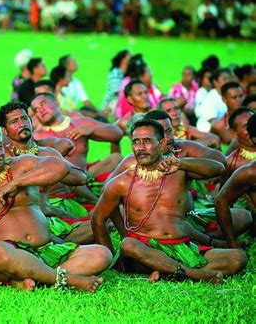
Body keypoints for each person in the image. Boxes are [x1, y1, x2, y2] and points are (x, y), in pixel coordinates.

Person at [0, 121, 111, 292]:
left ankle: (34, 279)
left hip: (46, 250)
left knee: (101, 254)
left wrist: (16, 183)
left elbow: (61, 166)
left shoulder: (21, 165)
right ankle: (66, 279)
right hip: (5, 256)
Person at [92, 119, 247, 282]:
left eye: (147, 141)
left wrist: (182, 163)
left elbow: (218, 169)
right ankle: (192, 273)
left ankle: (166, 272)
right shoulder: (121, 182)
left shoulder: (178, 171)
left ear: (162, 143)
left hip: (182, 247)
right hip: (144, 250)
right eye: (136, 142)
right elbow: (98, 219)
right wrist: (109, 257)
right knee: (128, 244)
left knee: (238, 258)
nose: (141, 148)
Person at [0, 101, 94, 244]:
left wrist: (52, 170)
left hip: (50, 217)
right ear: (5, 131)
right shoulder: (3, 158)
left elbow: (81, 178)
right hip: (19, 224)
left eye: (24, 119)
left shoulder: (46, 153)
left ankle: (61, 242)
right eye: (14, 121)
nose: (21, 124)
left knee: (102, 220)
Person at [31, 93, 123, 182]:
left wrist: (92, 130)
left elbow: (117, 133)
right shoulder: (37, 136)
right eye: (36, 110)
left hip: (84, 176)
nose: (41, 110)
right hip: (61, 183)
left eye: (43, 104)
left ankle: (88, 183)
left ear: (57, 102)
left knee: (116, 158)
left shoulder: (80, 123)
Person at [101, 50, 131, 117]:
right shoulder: (116, 73)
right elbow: (117, 91)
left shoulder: (127, 74)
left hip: (120, 102)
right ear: (123, 60)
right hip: (110, 104)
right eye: (130, 56)